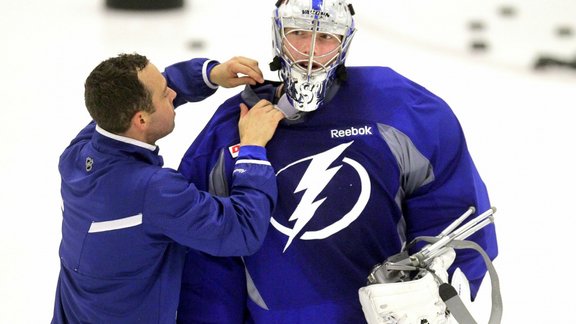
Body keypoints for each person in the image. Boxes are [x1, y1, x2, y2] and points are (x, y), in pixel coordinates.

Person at [176, 0, 499, 323]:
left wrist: (441, 294)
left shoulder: (403, 110)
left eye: (327, 37)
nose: (311, 51)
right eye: (299, 32)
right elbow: (207, 265)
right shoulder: (229, 133)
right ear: (278, 34)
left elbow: (456, 219)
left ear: (345, 43)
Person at [51, 53, 285, 323]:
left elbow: (149, 93)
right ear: (140, 120)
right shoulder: (154, 191)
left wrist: (210, 74)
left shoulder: (77, 155)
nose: (173, 93)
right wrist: (253, 148)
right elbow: (242, 230)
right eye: (165, 94)